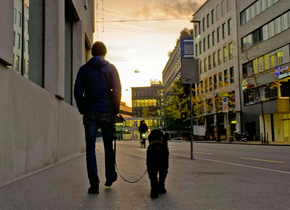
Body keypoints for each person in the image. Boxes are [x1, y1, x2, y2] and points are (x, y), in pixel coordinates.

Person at [74, 41, 121, 194]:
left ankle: (94, 184)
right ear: (104, 53)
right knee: (108, 146)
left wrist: (83, 109)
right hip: (107, 112)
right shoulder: (111, 69)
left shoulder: (84, 70)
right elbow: (116, 91)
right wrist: (115, 110)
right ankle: (109, 176)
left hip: (90, 113)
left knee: (90, 148)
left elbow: (77, 92)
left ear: (92, 53)